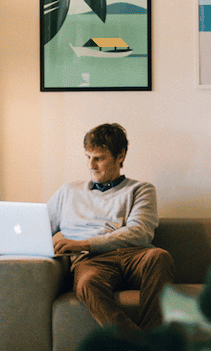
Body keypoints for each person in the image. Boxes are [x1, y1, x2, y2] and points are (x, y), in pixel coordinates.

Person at [46, 122, 174, 332]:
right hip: (90, 262)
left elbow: (139, 233)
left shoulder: (141, 189)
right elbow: (40, 228)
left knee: (159, 257)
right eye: (88, 157)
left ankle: (155, 336)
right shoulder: (67, 191)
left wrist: (83, 244)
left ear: (120, 156)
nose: (91, 165)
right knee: (86, 283)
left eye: (99, 158)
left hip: (133, 255)